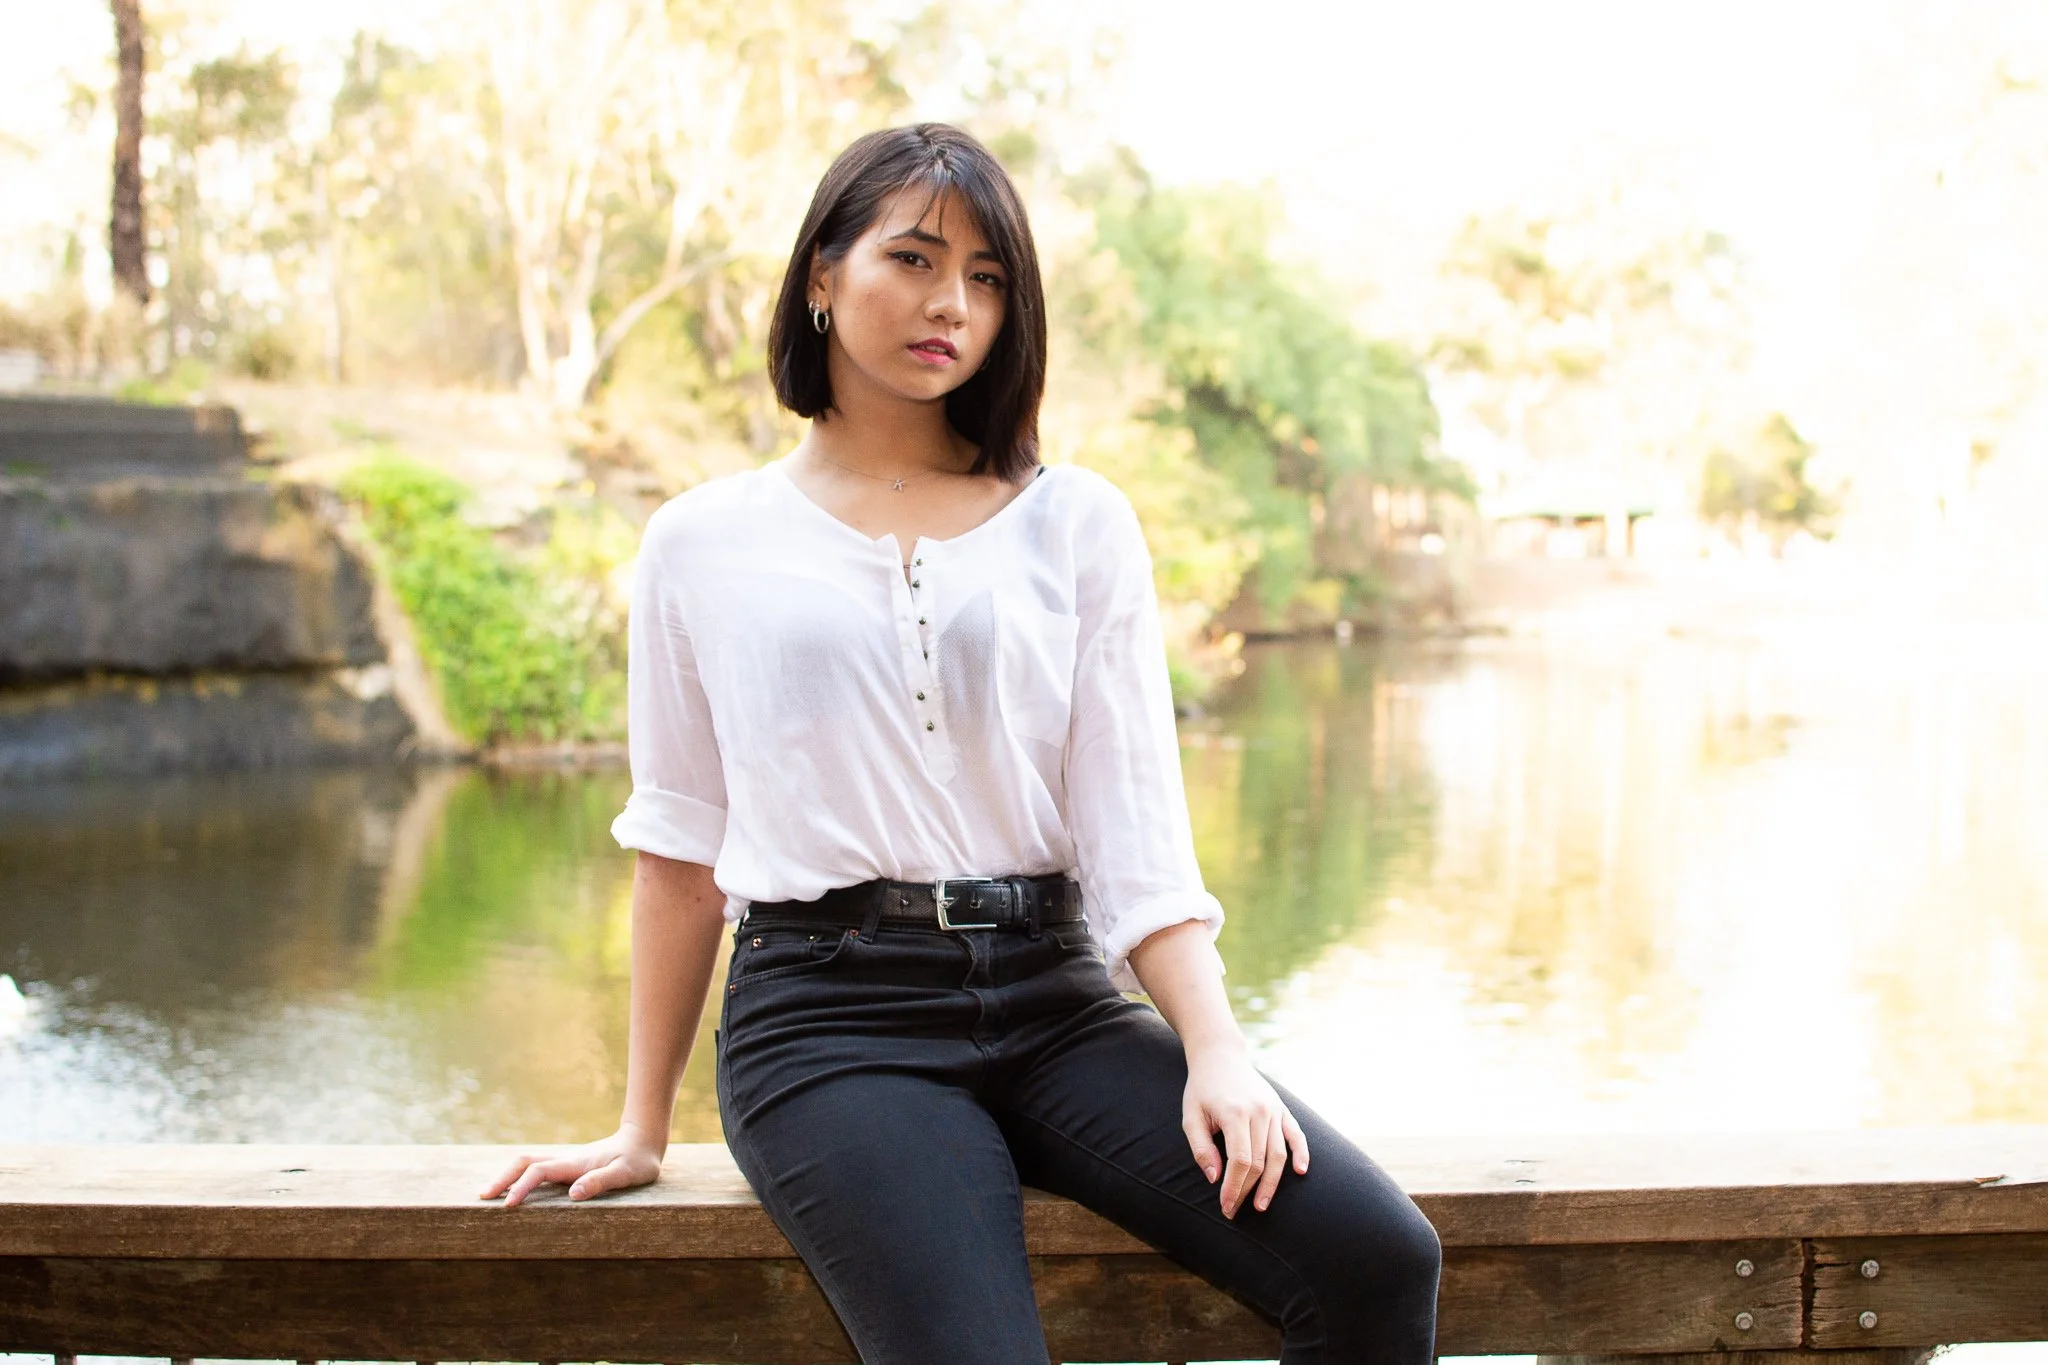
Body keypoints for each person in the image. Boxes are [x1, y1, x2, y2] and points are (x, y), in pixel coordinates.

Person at [479, 122, 1440, 1364]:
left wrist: (1216, 1053)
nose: (952, 304)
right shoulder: (701, 543)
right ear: (820, 275)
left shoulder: (1075, 523)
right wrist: (639, 1125)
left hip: (1055, 1001)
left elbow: (1132, 826)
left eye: (988, 279)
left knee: (1374, 1258)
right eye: (915, 259)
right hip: (827, 1019)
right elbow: (678, 846)